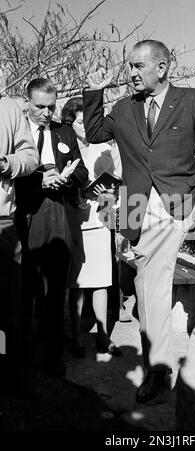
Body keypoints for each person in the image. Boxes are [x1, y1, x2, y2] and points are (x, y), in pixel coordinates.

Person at [83, 39, 195, 403]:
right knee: (149, 289)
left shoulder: (191, 99)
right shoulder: (124, 108)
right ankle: (157, 369)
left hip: (187, 199)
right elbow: (95, 133)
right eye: (129, 67)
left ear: (162, 67)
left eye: (137, 66)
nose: (131, 74)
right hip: (144, 208)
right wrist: (95, 89)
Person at [16, 79, 88, 377]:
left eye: (51, 107)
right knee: (22, 292)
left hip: (58, 213)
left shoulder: (64, 132)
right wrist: (39, 181)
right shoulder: (14, 133)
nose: (46, 113)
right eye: (40, 107)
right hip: (24, 215)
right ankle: (18, 357)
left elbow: (82, 171)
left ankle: (53, 357)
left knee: (55, 292)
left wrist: (66, 178)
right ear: (26, 102)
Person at [61, 96, 122, 358]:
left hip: (98, 222)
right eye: (79, 121)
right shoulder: (64, 147)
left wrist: (107, 195)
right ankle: (74, 337)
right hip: (74, 220)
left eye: (88, 121)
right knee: (75, 282)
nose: (84, 127)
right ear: (70, 123)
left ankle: (103, 335)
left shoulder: (105, 150)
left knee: (100, 282)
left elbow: (116, 191)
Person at [0, 95, 39, 383]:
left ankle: (10, 371)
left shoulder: (8, 107)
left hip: (3, 223)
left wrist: (7, 163)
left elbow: (30, 157)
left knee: (10, 305)